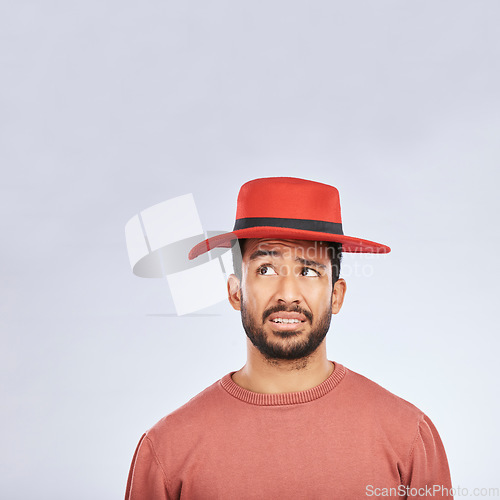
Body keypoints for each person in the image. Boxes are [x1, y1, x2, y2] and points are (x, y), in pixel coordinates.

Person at [125, 177, 453, 499]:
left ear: (336, 296)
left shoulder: (409, 437)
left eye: (309, 271)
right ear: (235, 291)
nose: (287, 294)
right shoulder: (166, 451)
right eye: (266, 269)